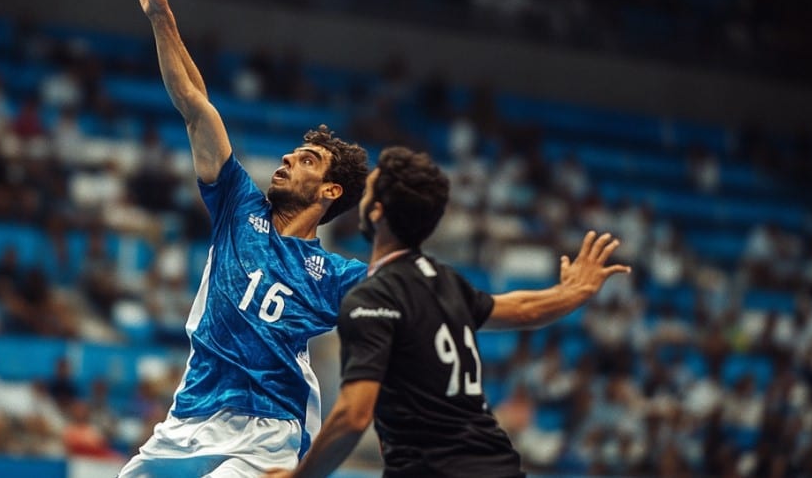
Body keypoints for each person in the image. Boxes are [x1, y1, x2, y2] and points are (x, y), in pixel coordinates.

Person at [115, 0, 371, 478]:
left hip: (266, 435)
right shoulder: (239, 205)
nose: (286, 159)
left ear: (329, 193)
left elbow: (423, 296)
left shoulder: (337, 276)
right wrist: (161, 16)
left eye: (306, 160)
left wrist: (548, 300)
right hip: (187, 421)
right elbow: (194, 105)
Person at [265, 147, 630, 478]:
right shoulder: (444, 281)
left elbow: (353, 415)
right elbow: (522, 309)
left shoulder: (373, 297)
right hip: (499, 466)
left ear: (376, 211)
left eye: (371, 188)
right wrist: (572, 293)